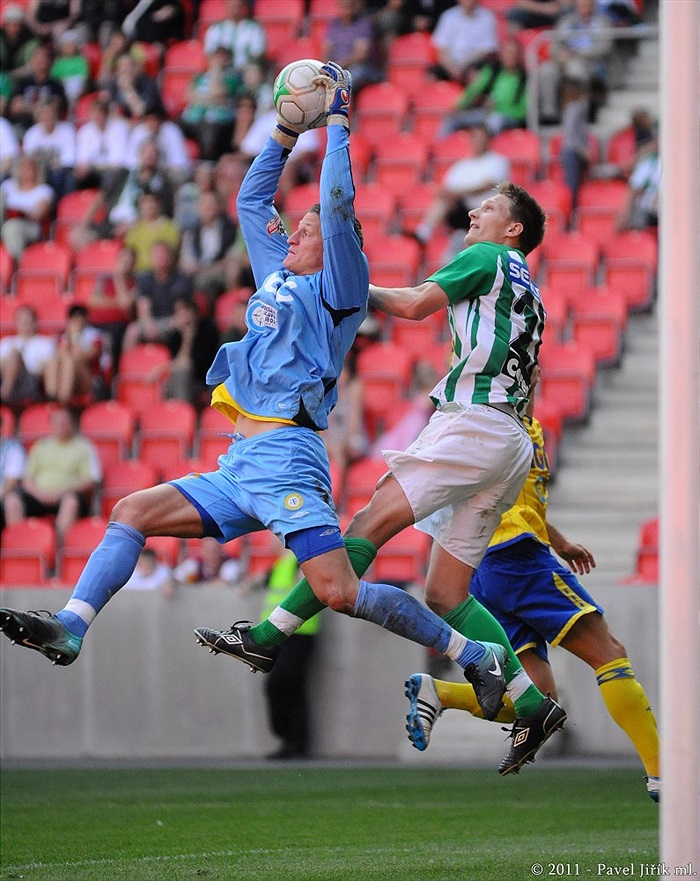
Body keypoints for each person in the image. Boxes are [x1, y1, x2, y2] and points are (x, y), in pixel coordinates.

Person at [1, 64, 510, 733]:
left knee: (339, 592)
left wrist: (336, 123)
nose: (292, 232)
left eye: (305, 229)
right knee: (131, 510)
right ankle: (71, 626)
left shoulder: (340, 285)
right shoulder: (277, 272)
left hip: (289, 457)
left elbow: (336, 203)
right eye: (293, 227)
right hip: (241, 461)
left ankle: (473, 655)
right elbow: (249, 200)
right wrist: (281, 133)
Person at [194, 155, 570, 774]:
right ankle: (532, 703)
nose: (474, 212)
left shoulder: (488, 257)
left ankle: (268, 635)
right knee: (446, 594)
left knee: (366, 526)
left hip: (473, 424)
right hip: (511, 441)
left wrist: (346, 286)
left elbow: (417, 304)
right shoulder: (528, 287)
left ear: (514, 230)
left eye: (490, 207)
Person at [403, 370, 661, 798]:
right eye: (526, 369)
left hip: (486, 572)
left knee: (540, 698)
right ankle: (663, 771)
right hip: (516, 559)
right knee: (609, 654)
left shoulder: (523, 429)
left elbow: (519, 499)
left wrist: (559, 541)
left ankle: (441, 694)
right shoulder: (495, 428)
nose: (534, 374)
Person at [2, 406, 101, 540]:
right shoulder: (41, 446)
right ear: (51, 425)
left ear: (72, 424)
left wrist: (60, 493)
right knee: (11, 500)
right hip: (38, 496)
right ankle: (18, 543)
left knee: (70, 502)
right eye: (57, 422)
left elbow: (90, 480)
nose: (61, 426)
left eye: (64, 422)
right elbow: (27, 479)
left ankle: (59, 546)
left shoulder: (84, 447)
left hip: (66, 496)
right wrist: (39, 494)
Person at [412, 123, 510, 250]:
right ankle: (424, 232)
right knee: (443, 199)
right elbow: (448, 190)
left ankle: (461, 237)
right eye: (474, 137)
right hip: (463, 211)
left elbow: (486, 186)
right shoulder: (461, 165)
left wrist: (458, 192)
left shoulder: (498, 161)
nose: (477, 141)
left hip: (487, 211)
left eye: (481, 137)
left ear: (488, 139)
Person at [262, 549, 320, 760]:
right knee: (294, 689)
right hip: (282, 635)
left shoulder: (299, 560)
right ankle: (294, 743)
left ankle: (291, 738)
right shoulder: (281, 564)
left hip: (298, 634)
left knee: (280, 684)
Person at [537, 0, 613, 125]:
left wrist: (577, 53)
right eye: (581, 5)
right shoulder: (566, 21)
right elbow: (554, 45)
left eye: (587, 5)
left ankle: (578, 115)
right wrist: (559, 55)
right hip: (563, 59)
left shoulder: (602, 22)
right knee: (546, 70)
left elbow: (605, 48)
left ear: (593, 6)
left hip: (588, 61)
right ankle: (550, 114)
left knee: (575, 70)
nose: (583, 8)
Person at [439, 38, 528, 138]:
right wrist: (459, 106)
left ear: (519, 56)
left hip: (507, 117)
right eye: (507, 52)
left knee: (495, 120)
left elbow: (522, 112)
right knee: (452, 119)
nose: (511, 56)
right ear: (501, 54)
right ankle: (440, 145)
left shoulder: (525, 79)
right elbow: (473, 91)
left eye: (514, 53)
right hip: (485, 112)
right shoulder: (492, 71)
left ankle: (487, 146)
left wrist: (498, 106)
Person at [121, 239, 193, 350]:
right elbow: (143, 305)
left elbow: (182, 308)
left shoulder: (181, 279)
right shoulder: (145, 279)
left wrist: (174, 322)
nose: (161, 258)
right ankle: (129, 360)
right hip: (153, 320)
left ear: (171, 257)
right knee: (133, 331)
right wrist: (148, 324)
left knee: (188, 326)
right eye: (157, 255)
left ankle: (183, 357)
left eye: (164, 254)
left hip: (173, 320)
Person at [179, 45, 243, 162]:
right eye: (216, 57)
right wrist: (213, 101)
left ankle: (206, 163)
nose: (218, 60)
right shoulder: (199, 77)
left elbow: (217, 92)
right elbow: (188, 96)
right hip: (193, 117)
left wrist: (216, 71)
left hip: (218, 121)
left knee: (209, 131)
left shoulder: (232, 79)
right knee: (173, 126)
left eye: (222, 57)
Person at [179, 190, 239, 309]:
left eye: (211, 204)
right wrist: (194, 266)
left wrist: (217, 265)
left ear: (218, 206)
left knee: (232, 270)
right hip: (199, 271)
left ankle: (230, 307)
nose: (208, 208)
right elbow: (185, 259)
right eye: (205, 204)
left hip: (221, 268)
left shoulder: (229, 227)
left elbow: (234, 252)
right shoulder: (192, 231)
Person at [43, 302, 109, 405]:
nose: (78, 321)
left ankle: (62, 403)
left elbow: (83, 357)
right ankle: (52, 398)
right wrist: (67, 338)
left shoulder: (95, 336)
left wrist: (75, 336)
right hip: (66, 377)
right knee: (53, 361)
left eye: (80, 317)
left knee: (69, 361)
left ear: (86, 319)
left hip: (90, 378)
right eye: (74, 318)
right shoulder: (63, 336)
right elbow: (59, 357)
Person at [428, 0, 499, 85]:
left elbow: (486, 50)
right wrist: (451, 68)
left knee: (477, 75)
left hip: (473, 63)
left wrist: (463, 66)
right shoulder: (448, 16)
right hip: (450, 64)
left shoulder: (487, 17)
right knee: (431, 76)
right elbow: (441, 49)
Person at [0, 154, 54, 260]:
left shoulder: (44, 190)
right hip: (4, 221)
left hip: (30, 225)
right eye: (23, 168)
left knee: (11, 228)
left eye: (29, 168)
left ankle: (17, 264)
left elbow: (38, 214)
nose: (26, 171)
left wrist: (17, 211)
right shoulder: (8, 186)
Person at [321, 0, 383, 93]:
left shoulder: (363, 24)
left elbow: (361, 55)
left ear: (354, 7)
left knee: (350, 78)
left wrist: (340, 65)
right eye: (343, 6)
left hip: (360, 66)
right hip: (337, 67)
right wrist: (328, 67)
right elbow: (326, 49)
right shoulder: (334, 24)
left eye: (349, 6)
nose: (346, 10)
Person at [21, 96, 76, 200]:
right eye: (44, 114)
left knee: (63, 176)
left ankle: (61, 205)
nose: (48, 117)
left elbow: (69, 159)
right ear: (39, 116)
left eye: (51, 113)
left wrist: (51, 166)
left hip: (59, 171)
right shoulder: (31, 134)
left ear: (56, 115)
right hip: (37, 172)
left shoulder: (67, 130)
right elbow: (28, 159)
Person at [0, 304, 56, 403]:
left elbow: (44, 370)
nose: (24, 323)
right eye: (21, 319)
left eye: (27, 319)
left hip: (30, 381)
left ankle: (4, 395)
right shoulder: (6, 342)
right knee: (12, 356)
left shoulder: (45, 343)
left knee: (14, 355)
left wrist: (18, 363)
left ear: (35, 322)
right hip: (4, 377)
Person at [202, 0, 266, 77]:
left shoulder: (254, 28)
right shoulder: (216, 29)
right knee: (214, 69)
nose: (235, 10)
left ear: (243, 6)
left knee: (253, 71)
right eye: (232, 6)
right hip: (222, 71)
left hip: (245, 72)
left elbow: (257, 54)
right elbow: (210, 54)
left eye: (237, 6)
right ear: (226, 6)